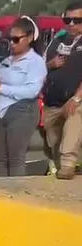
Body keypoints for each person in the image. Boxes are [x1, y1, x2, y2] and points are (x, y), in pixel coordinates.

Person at [0, 16, 47, 177]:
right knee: (0, 159)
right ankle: (4, 195)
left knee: (16, 158)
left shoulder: (35, 62)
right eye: (10, 39)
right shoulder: (5, 59)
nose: (12, 43)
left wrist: (2, 88)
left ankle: (16, 194)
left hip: (22, 111)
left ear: (29, 38)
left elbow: (32, 90)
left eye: (16, 39)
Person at [42, 2, 82, 180]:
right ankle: (62, 166)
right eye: (68, 20)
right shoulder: (57, 39)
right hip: (52, 101)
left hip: (75, 98)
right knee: (54, 140)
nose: (71, 24)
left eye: (77, 20)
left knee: (75, 116)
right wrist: (52, 64)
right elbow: (40, 65)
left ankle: (68, 164)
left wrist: (76, 98)